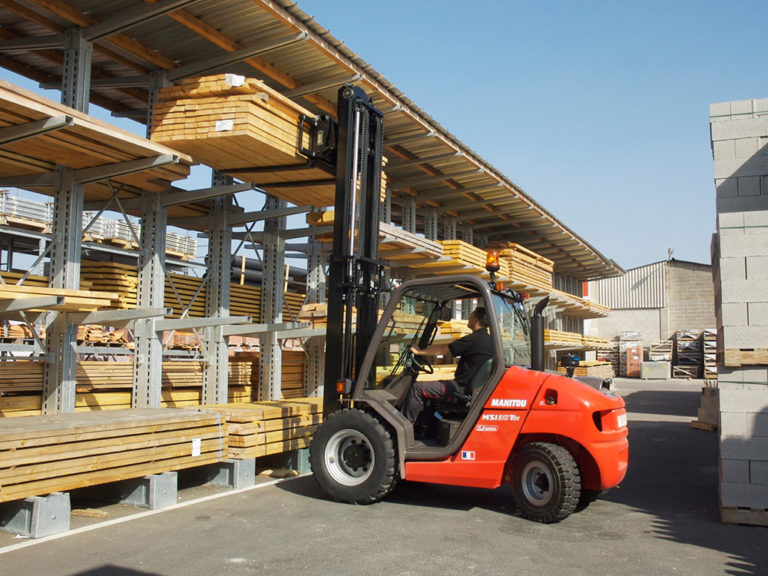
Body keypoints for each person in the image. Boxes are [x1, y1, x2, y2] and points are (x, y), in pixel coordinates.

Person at [401, 307, 495, 428]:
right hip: (472, 388)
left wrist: (420, 352)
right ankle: (424, 427)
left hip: (460, 388)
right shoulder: (489, 340)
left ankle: (405, 428)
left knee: (417, 388)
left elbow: (443, 350)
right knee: (431, 395)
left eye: (471, 315)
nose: (469, 318)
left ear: (476, 319)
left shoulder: (472, 340)